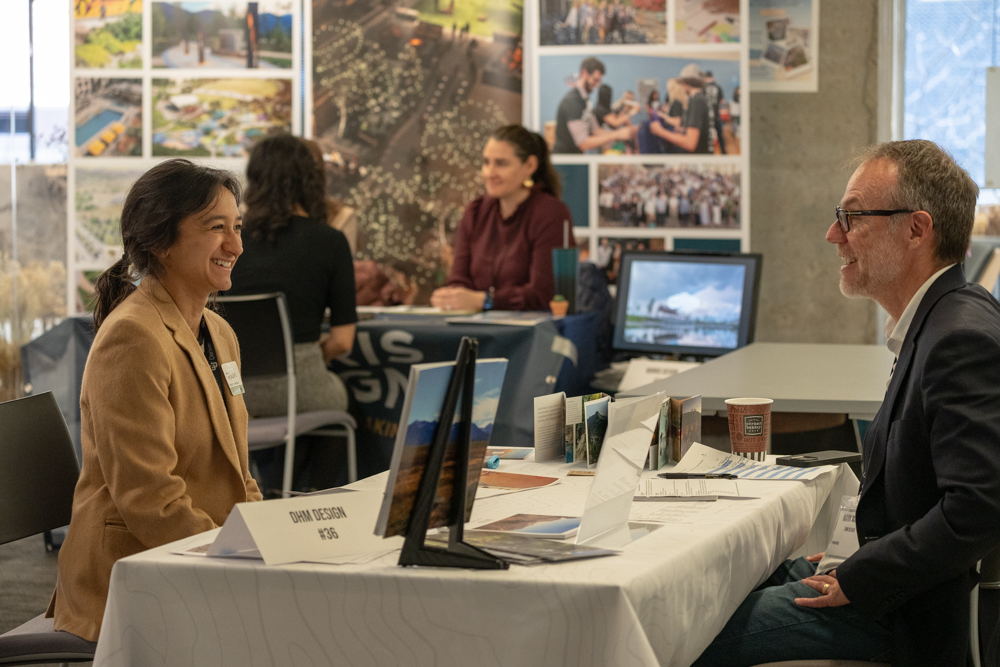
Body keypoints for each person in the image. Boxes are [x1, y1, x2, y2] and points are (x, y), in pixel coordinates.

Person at [693, 140, 1000, 666]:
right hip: (887, 575)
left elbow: (979, 508)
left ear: (917, 229)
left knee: (689, 635)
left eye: (852, 217)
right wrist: (855, 550)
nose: (833, 234)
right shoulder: (942, 319)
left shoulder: (958, 339)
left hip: (907, 612)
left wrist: (864, 571)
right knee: (708, 589)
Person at [47, 160, 263, 641]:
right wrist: (236, 559)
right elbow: (151, 500)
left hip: (197, 558)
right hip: (131, 576)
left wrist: (265, 540)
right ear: (160, 243)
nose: (236, 246)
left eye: (237, 228)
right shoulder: (132, 338)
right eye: (216, 228)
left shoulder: (220, 334)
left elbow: (239, 474)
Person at [226, 134, 357, 492]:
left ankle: (269, 491)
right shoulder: (330, 241)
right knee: (338, 401)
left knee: (297, 412)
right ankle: (310, 498)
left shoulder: (229, 241)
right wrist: (313, 359)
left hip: (233, 391)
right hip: (300, 385)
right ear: (311, 180)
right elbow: (343, 342)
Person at [431, 125, 571, 312]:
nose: (489, 173)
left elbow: (543, 294)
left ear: (530, 166)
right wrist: (452, 297)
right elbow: (459, 280)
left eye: (501, 163)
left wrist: (486, 301)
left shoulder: (551, 214)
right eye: (486, 162)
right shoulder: (475, 211)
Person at [552, 57, 635, 154]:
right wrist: (616, 135)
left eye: (599, 81)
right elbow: (583, 143)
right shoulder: (573, 102)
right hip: (565, 161)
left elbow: (595, 130)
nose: (597, 85)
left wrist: (620, 136)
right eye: (595, 80)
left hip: (577, 158)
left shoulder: (586, 101)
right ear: (584, 73)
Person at [649, 64, 711, 154]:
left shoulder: (697, 101)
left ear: (686, 83)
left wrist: (660, 131)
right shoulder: (700, 99)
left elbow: (690, 143)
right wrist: (684, 130)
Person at [703, 70, 726, 154]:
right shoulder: (718, 87)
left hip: (706, 117)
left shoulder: (703, 87)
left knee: (708, 137)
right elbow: (722, 101)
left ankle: (709, 153)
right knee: (720, 136)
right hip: (716, 115)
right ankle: (724, 153)